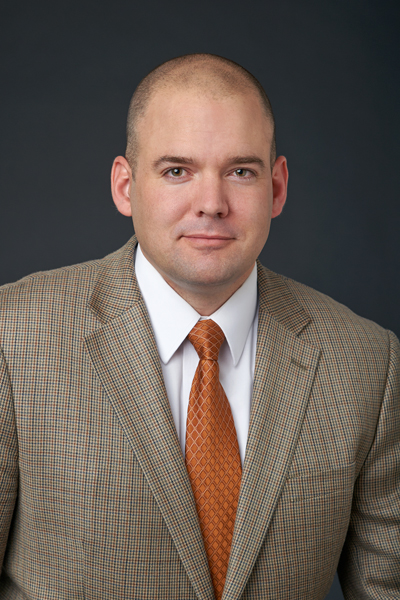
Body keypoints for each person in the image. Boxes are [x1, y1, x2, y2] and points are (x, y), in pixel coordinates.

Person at [0, 53, 399, 600]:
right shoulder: (12, 336)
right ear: (125, 186)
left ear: (277, 187)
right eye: (177, 171)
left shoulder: (369, 363)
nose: (212, 204)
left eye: (240, 172)